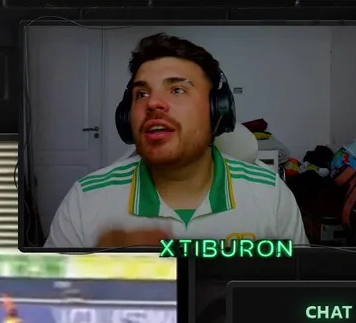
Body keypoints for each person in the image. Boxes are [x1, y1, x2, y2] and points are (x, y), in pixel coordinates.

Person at [46, 33, 309, 248]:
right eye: (141, 94)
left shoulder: (270, 195)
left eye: (178, 90)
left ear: (217, 110)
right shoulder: (86, 200)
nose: (153, 103)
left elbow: (295, 289)